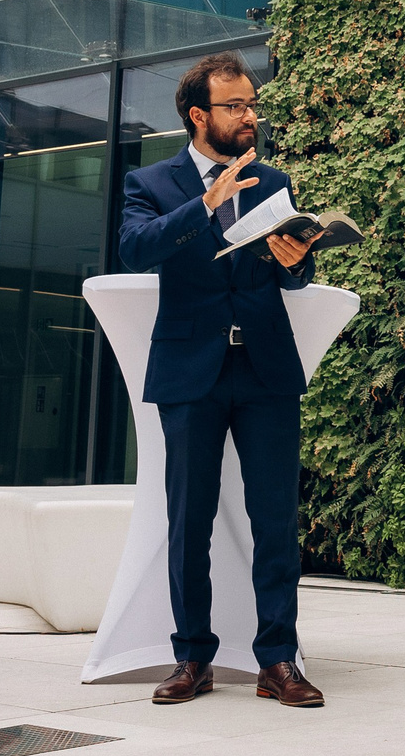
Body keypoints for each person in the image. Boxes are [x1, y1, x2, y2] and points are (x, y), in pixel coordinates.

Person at [117, 52, 324, 706]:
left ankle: (279, 660)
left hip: (264, 367)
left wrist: (298, 261)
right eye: (235, 106)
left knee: (275, 520)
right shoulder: (151, 181)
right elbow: (135, 247)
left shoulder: (272, 180)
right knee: (189, 519)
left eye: (252, 103)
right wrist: (203, 206)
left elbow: (291, 275)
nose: (250, 116)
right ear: (198, 114)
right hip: (190, 371)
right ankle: (191, 658)